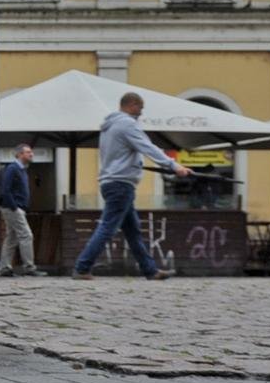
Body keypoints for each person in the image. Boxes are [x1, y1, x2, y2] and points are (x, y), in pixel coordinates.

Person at [73, 92, 190, 280]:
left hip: (114, 182)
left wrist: (137, 164)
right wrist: (174, 165)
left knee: (133, 230)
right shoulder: (127, 124)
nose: (141, 113)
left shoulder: (109, 127)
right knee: (108, 228)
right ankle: (82, 267)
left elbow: (122, 154)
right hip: (121, 184)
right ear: (132, 105)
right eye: (140, 108)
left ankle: (150, 270)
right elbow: (148, 147)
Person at [0, 143, 42, 276]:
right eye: (28, 152)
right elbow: (6, 190)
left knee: (11, 237)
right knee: (26, 235)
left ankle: (5, 268)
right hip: (12, 208)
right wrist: (15, 207)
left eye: (31, 152)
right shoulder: (13, 169)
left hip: (15, 208)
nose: (31, 154)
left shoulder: (21, 170)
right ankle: (29, 267)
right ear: (19, 154)